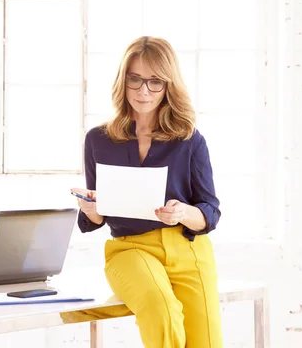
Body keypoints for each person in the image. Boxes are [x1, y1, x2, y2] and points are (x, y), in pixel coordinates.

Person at [71, 36, 223, 348]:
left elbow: (209, 211)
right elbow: (96, 217)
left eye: (155, 82)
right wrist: (90, 209)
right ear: (123, 81)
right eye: (135, 79)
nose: (144, 91)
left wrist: (182, 212)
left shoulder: (189, 141)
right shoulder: (98, 140)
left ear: (168, 84)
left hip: (188, 251)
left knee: (205, 343)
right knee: (161, 310)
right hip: (129, 251)